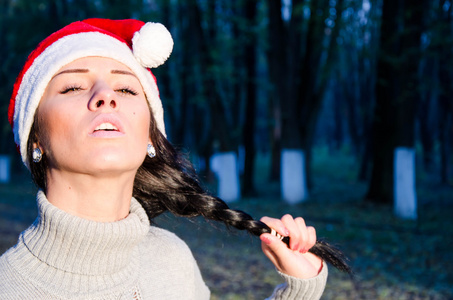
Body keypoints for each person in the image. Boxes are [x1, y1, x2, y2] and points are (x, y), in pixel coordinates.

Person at [0, 18, 331, 299]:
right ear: (36, 138)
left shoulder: (172, 259)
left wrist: (299, 289)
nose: (105, 97)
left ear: (149, 137)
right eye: (72, 87)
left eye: (127, 89)